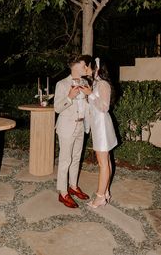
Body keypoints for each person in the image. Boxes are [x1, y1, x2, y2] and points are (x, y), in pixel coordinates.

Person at [54, 55, 91, 208]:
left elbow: (88, 104)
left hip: (81, 126)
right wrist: (69, 97)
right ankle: (63, 193)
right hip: (66, 127)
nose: (86, 67)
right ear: (75, 66)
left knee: (76, 158)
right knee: (65, 161)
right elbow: (57, 108)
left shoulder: (85, 82)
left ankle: (73, 186)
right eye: (84, 64)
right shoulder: (62, 84)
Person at [80, 57, 117, 208]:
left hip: (102, 127)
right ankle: (106, 192)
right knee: (105, 161)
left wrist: (91, 94)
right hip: (97, 126)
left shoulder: (103, 84)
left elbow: (104, 107)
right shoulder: (95, 83)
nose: (85, 69)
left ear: (96, 68)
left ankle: (100, 196)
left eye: (87, 66)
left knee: (103, 163)